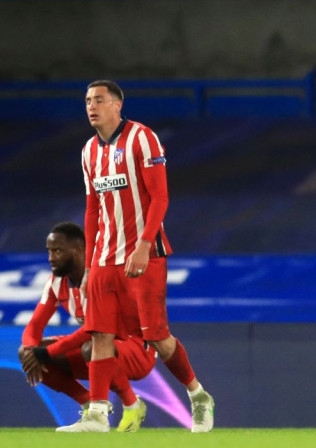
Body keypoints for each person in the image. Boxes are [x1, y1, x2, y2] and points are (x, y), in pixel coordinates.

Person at [57, 80, 214, 432]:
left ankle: (198, 395)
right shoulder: (88, 151)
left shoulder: (143, 138)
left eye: (99, 100)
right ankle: (98, 413)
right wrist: (90, 258)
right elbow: (92, 209)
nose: (91, 107)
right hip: (104, 258)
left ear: (117, 105)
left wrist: (143, 245)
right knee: (99, 333)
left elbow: (160, 197)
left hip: (146, 255)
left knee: (157, 336)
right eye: (86, 101)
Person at [19, 222, 155, 432]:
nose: (51, 258)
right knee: (27, 352)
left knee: (91, 346)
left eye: (58, 251)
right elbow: (34, 326)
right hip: (98, 348)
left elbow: (96, 328)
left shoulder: (103, 275)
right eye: (49, 251)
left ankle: (132, 404)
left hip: (137, 349)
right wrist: (31, 350)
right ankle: (89, 408)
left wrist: (47, 352)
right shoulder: (57, 282)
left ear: (80, 250)